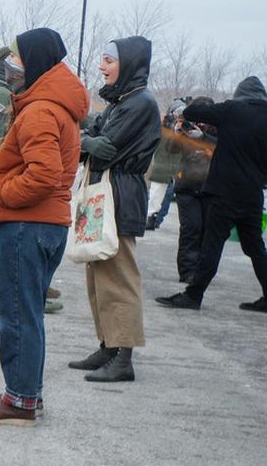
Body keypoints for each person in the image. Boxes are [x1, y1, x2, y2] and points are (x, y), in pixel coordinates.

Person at [0, 28, 86, 426]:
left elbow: (44, 175)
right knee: (28, 312)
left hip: (28, 224)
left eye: (18, 58)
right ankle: (24, 392)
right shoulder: (53, 104)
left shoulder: (40, 109)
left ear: (35, 60)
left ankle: (19, 402)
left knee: (17, 314)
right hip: (46, 224)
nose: (11, 66)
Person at [70, 37, 161, 384]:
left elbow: (104, 147)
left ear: (130, 64)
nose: (102, 66)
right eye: (103, 59)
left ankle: (123, 356)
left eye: (109, 60)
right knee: (98, 275)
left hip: (120, 195)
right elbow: (92, 135)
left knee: (119, 277)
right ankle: (108, 345)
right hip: (103, 193)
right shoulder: (119, 101)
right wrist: (85, 138)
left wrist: (78, 139)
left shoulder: (140, 103)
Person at [155, 76, 267, 312]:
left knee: (211, 244)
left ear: (240, 95)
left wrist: (182, 107)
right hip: (253, 195)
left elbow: (195, 111)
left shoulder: (233, 109)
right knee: (255, 247)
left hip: (225, 192)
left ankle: (193, 295)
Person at [162, 98, 215, 281]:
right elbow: (170, 150)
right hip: (187, 187)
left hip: (210, 189)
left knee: (206, 231)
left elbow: (223, 150)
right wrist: (176, 133)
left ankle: (201, 272)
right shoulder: (186, 126)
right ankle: (187, 272)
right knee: (191, 229)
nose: (200, 123)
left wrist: (203, 137)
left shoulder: (218, 129)